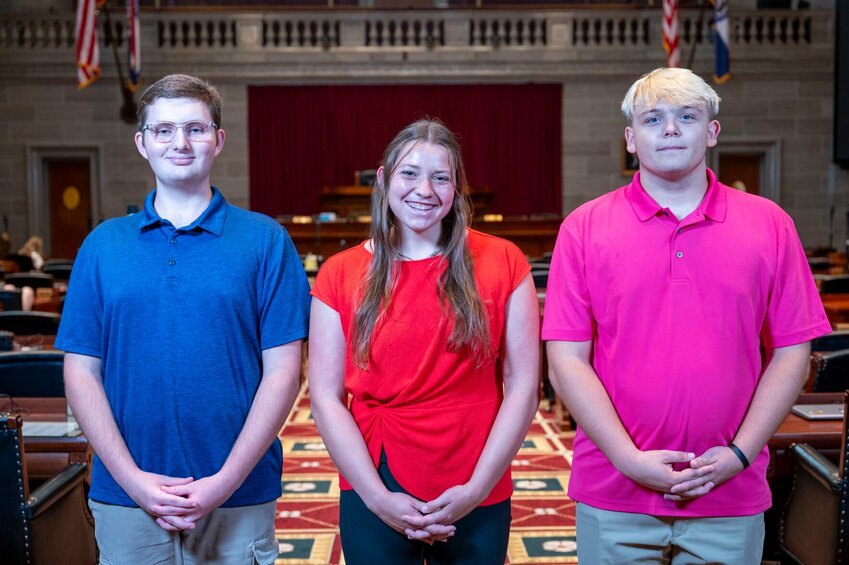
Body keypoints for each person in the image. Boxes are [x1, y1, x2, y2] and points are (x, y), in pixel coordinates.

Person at [542, 67, 832, 564]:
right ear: (631, 139)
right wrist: (629, 460)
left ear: (712, 132)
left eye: (687, 116)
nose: (671, 129)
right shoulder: (583, 228)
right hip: (615, 489)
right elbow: (566, 362)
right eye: (653, 118)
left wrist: (739, 455)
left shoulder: (771, 225)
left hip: (730, 493)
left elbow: (791, 352)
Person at [56, 74, 310, 564]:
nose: (180, 142)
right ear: (142, 143)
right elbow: (81, 372)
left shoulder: (266, 241)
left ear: (218, 140)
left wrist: (222, 482)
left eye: (195, 128)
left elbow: (284, 372)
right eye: (164, 130)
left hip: (238, 492)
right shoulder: (102, 245)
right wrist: (134, 481)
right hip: (127, 494)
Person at [308, 118, 540, 564]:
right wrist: (377, 498)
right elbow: (325, 397)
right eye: (409, 173)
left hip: (477, 474)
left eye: (441, 178)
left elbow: (524, 387)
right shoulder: (339, 272)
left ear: (457, 188)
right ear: (383, 180)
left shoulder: (504, 261)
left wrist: (477, 488)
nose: (424, 190)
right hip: (374, 473)